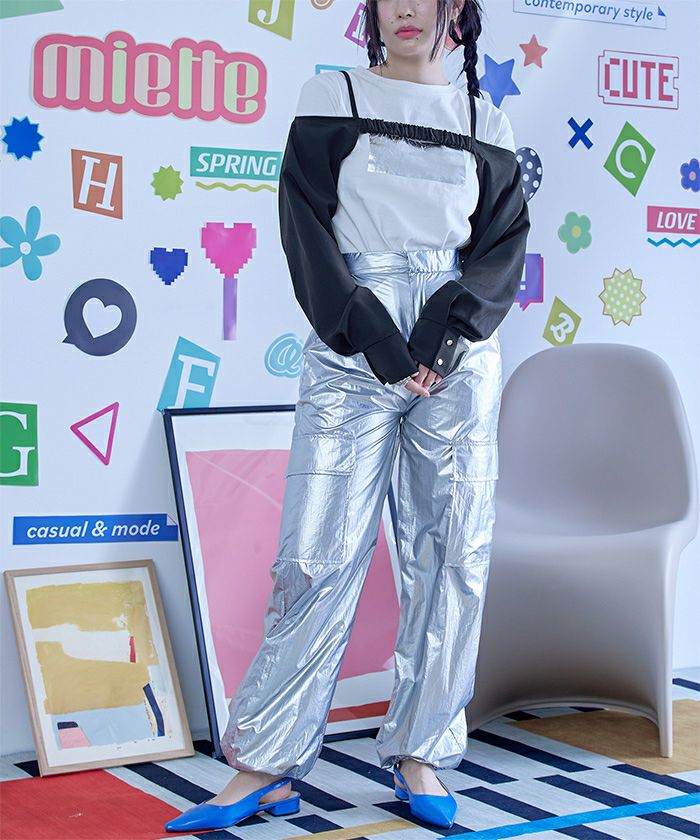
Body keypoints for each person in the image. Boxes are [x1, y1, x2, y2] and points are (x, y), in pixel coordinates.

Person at [165, 0, 530, 832]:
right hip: (351, 338)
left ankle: (421, 751)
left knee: (453, 552)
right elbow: (304, 230)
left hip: (457, 348)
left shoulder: (487, 120)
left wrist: (444, 332)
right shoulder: (333, 96)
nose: (405, 8)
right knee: (315, 554)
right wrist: (372, 335)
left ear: (456, 11)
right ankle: (265, 763)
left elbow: (502, 247)